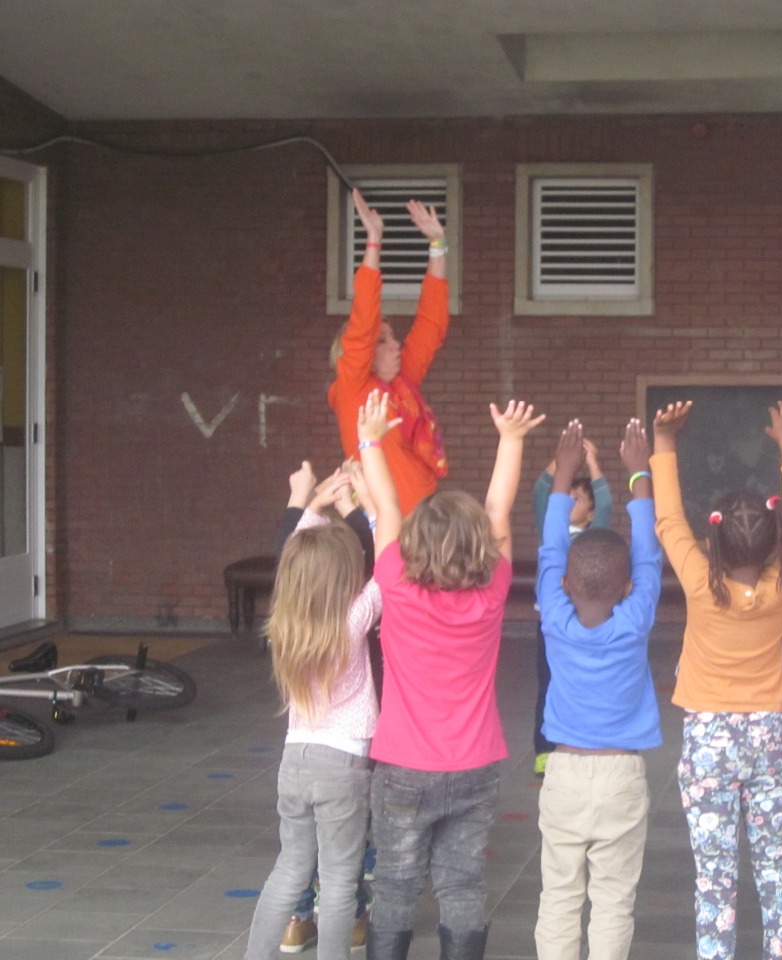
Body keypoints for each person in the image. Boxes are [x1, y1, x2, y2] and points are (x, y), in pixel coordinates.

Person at [358, 390, 544, 960]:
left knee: (396, 884)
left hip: (403, 766)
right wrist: (510, 440)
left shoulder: (396, 582)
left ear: (413, 543)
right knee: (462, 884)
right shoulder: (491, 591)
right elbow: (497, 510)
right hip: (475, 765)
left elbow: (387, 505)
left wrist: (370, 440)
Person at [650, 399, 782, 960]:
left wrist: (664, 443)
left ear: (711, 541)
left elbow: (669, 522)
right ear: (776, 544)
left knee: (714, 877)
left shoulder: (702, 583)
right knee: (776, 865)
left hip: (708, 740)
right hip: (768, 736)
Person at [534, 418, 662, 960]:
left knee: (559, 896)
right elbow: (648, 553)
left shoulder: (554, 618)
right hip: (621, 776)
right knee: (613, 901)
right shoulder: (635, 619)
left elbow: (550, 551)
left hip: (563, 773)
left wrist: (562, 475)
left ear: (563, 585)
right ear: (629, 587)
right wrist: (639, 473)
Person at [242, 464, 381, 960]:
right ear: (345, 576)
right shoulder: (353, 619)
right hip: (342, 766)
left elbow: (295, 559)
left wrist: (308, 501)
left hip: (294, 761)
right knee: (340, 879)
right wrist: (361, 505)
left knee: (289, 869)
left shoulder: (286, 624)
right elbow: (392, 560)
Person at [328, 189, 450, 516]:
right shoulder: (352, 387)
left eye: (393, 338)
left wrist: (438, 246)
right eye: (383, 341)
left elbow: (430, 326)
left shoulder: (400, 382)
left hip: (423, 524)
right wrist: (373, 241)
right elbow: (363, 321)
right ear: (364, 351)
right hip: (382, 528)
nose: (396, 345)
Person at [530, 439, 614, 776]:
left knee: (583, 683)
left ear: (590, 515)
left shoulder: (594, 536)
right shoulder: (550, 529)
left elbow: (606, 503)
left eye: (577, 500)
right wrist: (563, 460)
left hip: (584, 622)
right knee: (548, 684)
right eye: (567, 497)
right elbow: (541, 490)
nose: (568, 503)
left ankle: (584, 742)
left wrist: (592, 463)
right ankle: (544, 749)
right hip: (549, 624)